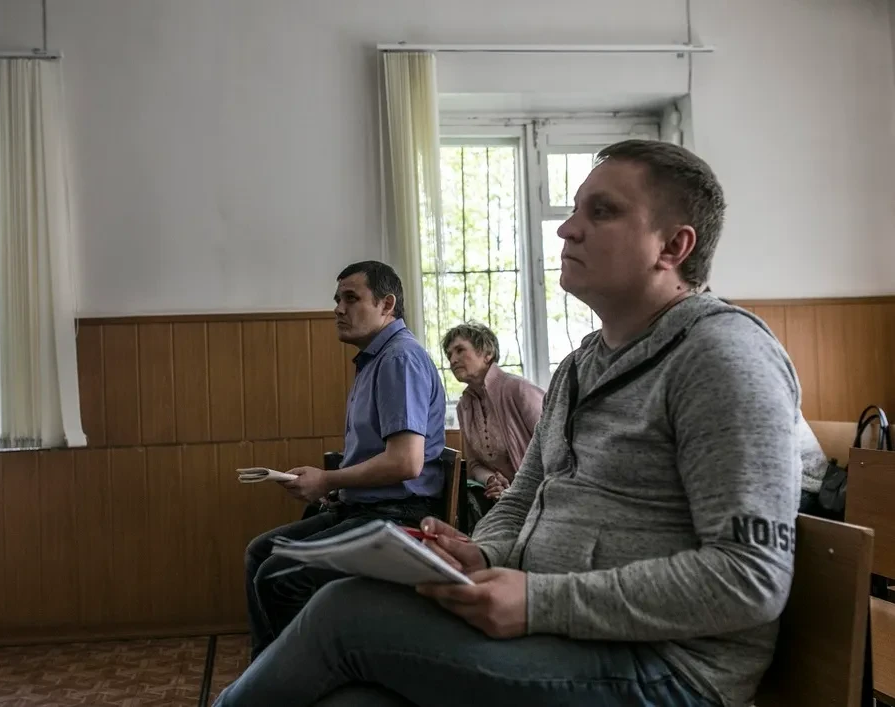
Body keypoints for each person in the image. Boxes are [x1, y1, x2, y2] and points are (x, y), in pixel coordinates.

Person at [215, 140, 804, 706]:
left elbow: (748, 578)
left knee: (343, 613)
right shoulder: (579, 367)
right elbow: (524, 496)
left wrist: (540, 601)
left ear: (673, 245)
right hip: (571, 634)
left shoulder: (721, 356)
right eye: (573, 210)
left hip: (668, 668)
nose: (567, 229)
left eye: (602, 212)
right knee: (351, 698)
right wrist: (483, 554)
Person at [243, 260, 447, 661]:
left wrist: (328, 480)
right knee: (261, 553)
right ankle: (269, 673)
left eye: (351, 298)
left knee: (278, 574)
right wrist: (336, 488)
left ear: (387, 305)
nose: (338, 308)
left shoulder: (399, 359)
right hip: (369, 508)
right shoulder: (376, 360)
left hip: (399, 517)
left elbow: (406, 463)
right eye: (337, 299)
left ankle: (305, 678)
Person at [443, 322, 544, 522]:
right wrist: (491, 480)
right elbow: (474, 464)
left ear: (487, 353)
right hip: (504, 500)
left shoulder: (519, 389)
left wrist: (521, 489)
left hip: (541, 495)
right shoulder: (464, 406)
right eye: (449, 355)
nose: (452, 360)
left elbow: (556, 447)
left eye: (460, 350)